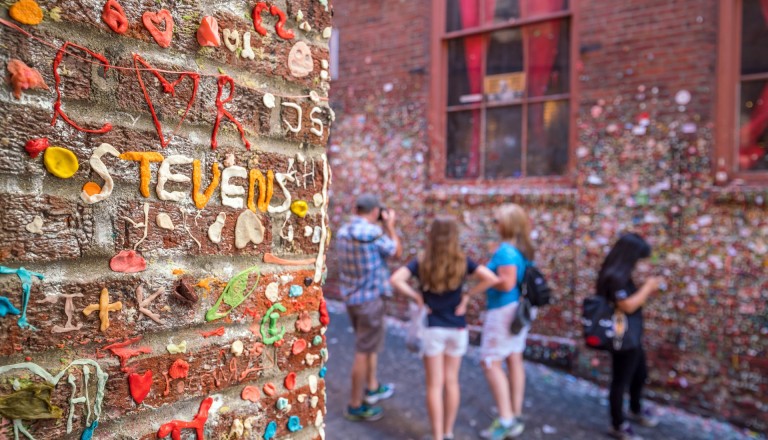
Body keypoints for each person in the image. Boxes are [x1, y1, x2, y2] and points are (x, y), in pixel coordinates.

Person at [390, 217, 499, 440]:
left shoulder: (422, 261)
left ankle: (437, 436)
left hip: (432, 328)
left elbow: (396, 279)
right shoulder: (462, 260)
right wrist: (467, 296)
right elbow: (491, 278)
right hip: (457, 330)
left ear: (432, 235)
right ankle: (448, 432)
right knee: (452, 382)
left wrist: (416, 296)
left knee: (433, 385)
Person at [463, 204, 534, 440]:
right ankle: (513, 412)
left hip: (503, 310)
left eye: (497, 221)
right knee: (514, 357)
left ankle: (505, 419)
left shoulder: (505, 251)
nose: (494, 225)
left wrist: (483, 274)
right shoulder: (520, 249)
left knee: (491, 361)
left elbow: (506, 283)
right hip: (516, 309)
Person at [336, 193, 402, 421]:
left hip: (352, 299)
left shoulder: (343, 233)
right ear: (376, 212)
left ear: (356, 210)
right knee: (363, 351)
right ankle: (355, 405)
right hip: (371, 300)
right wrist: (390, 227)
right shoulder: (374, 234)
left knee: (368, 344)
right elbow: (396, 251)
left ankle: (372, 387)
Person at [597, 233, 662, 440]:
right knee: (620, 380)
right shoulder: (615, 277)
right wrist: (648, 288)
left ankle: (635, 408)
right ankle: (618, 424)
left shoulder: (619, 274)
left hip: (630, 336)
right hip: (621, 337)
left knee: (639, 373)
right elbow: (627, 305)